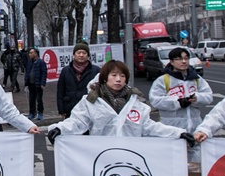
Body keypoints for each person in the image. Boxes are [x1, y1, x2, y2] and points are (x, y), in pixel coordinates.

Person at [46, 60, 185, 142]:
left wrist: (179, 133)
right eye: (114, 75)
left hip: (132, 158)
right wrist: (59, 129)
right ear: (104, 78)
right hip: (102, 157)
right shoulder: (90, 102)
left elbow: (150, 127)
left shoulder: (136, 103)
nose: (118, 79)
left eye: (122, 76)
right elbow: (77, 122)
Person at [148, 46, 213, 141]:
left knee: (195, 154)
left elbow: (208, 96)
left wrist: (196, 99)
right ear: (171, 61)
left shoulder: (196, 79)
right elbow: (155, 100)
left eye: (186, 58)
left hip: (195, 129)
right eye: (179, 59)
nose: (183, 61)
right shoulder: (163, 80)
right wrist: (178, 102)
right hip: (171, 130)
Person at [56, 43, 99, 119]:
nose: (81, 55)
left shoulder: (96, 70)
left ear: (88, 56)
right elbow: (60, 91)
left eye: (84, 53)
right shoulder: (66, 71)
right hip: (70, 108)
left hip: (90, 109)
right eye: (79, 53)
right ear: (74, 55)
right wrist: (61, 109)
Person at [25, 47, 48, 121]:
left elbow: (44, 73)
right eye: (29, 53)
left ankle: (40, 113)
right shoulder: (29, 62)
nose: (30, 54)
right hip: (31, 84)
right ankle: (32, 112)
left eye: (31, 53)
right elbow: (27, 72)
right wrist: (26, 82)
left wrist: (43, 83)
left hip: (38, 84)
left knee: (39, 99)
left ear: (35, 53)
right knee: (31, 99)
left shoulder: (40, 62)